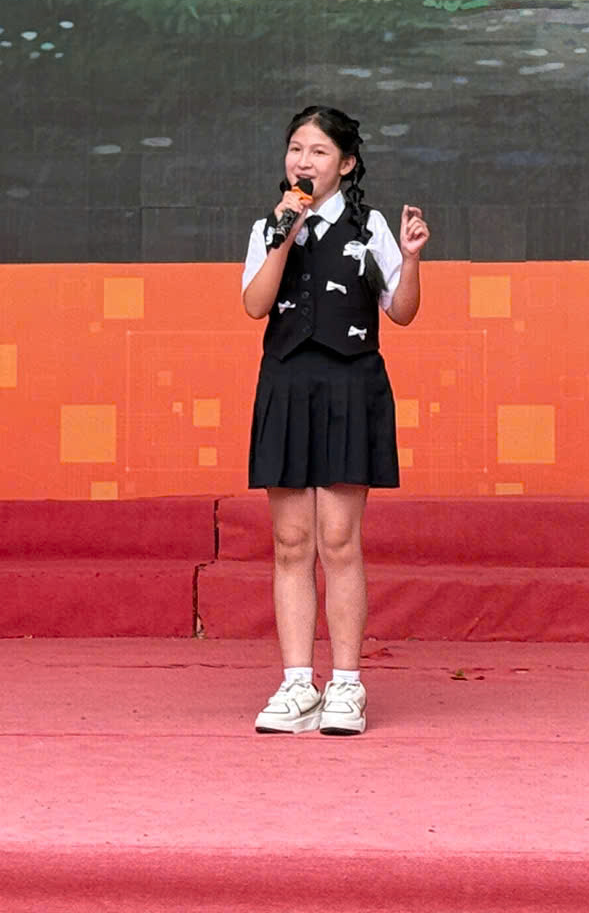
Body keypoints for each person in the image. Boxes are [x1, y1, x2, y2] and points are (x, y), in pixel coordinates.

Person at [239, 104, 427, 735]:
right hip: (287, 384)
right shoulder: (270, 225)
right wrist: (283, 234)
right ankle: (298, 684)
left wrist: (411, 258)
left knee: (339, 540)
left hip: (351, 385)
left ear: (345, 165)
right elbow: (255, 305)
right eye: (296, 149)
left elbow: (402, 312)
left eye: (318, 152)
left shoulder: (369, 226)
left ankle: (347, 682)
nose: (304, 161)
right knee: (291, 542)